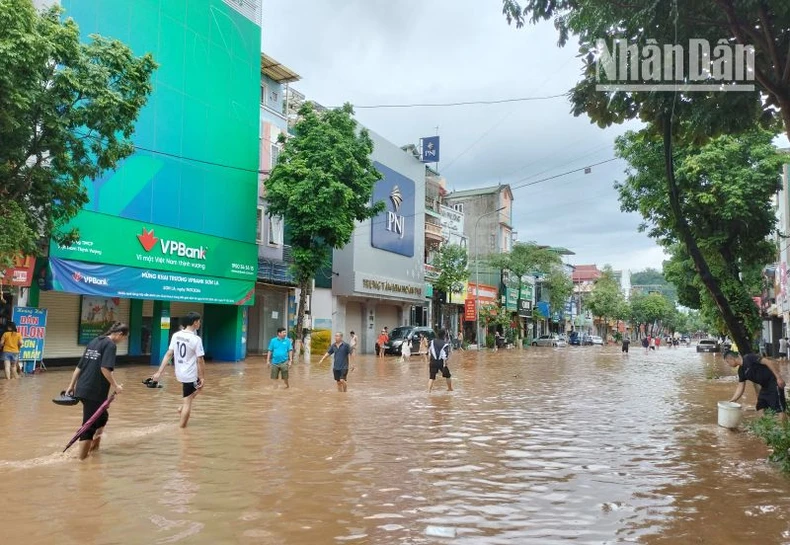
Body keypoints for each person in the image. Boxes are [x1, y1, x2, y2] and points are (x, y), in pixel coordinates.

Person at [64, 322, 127, 460]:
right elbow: (105, 369)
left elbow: (79, 366)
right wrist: (116, 386)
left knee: (102, 417)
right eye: (124, 338)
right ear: (120, 334)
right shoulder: (110, 345)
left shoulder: (94, 341)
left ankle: (94, 449)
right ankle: (82, 460)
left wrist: (72, 385)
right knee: (89, 425)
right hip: (94, 391)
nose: (123, 341)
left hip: (83, 387)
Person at [152, 312, 206, 428]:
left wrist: (159, 372)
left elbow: (168, 354)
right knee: (188, 402)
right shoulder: (196, 339)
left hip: (179, 372)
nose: (200, 323)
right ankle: (182, 428)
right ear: (195, 322)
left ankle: (182, 407)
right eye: (199, 321)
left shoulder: (176, 335)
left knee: (199, 388)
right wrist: (202, 377)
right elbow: (200, 360)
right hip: (189, 374)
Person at [725, 350, 787, 419]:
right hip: (764, 387)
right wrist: (732, 400)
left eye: (727, 362)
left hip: (774, 382)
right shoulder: (741, 371)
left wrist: (778, 378)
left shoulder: (749, 358)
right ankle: (764, 428)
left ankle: (784, 429)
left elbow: (768, 362)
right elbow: (740, 387)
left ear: (731, 359)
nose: (728, 364)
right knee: (760, 407)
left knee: (779, 409)